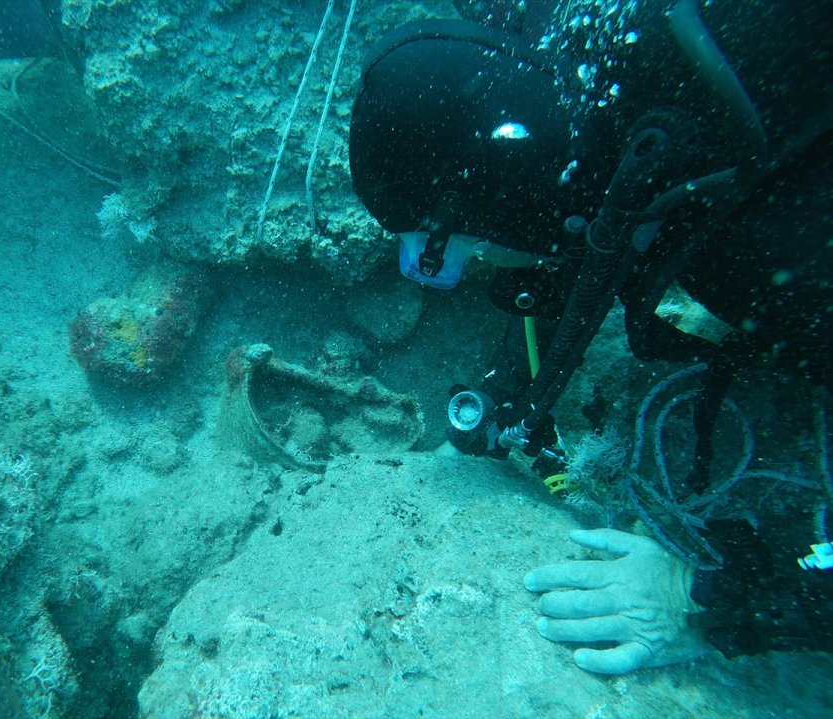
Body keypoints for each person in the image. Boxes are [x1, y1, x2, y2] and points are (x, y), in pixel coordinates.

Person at [349, 0, 832, 674]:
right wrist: (509, 386)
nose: (479, 270)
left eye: (463, 254)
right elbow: (582, 218)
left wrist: (718, 591)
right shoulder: (578, 57)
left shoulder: (777, 262)